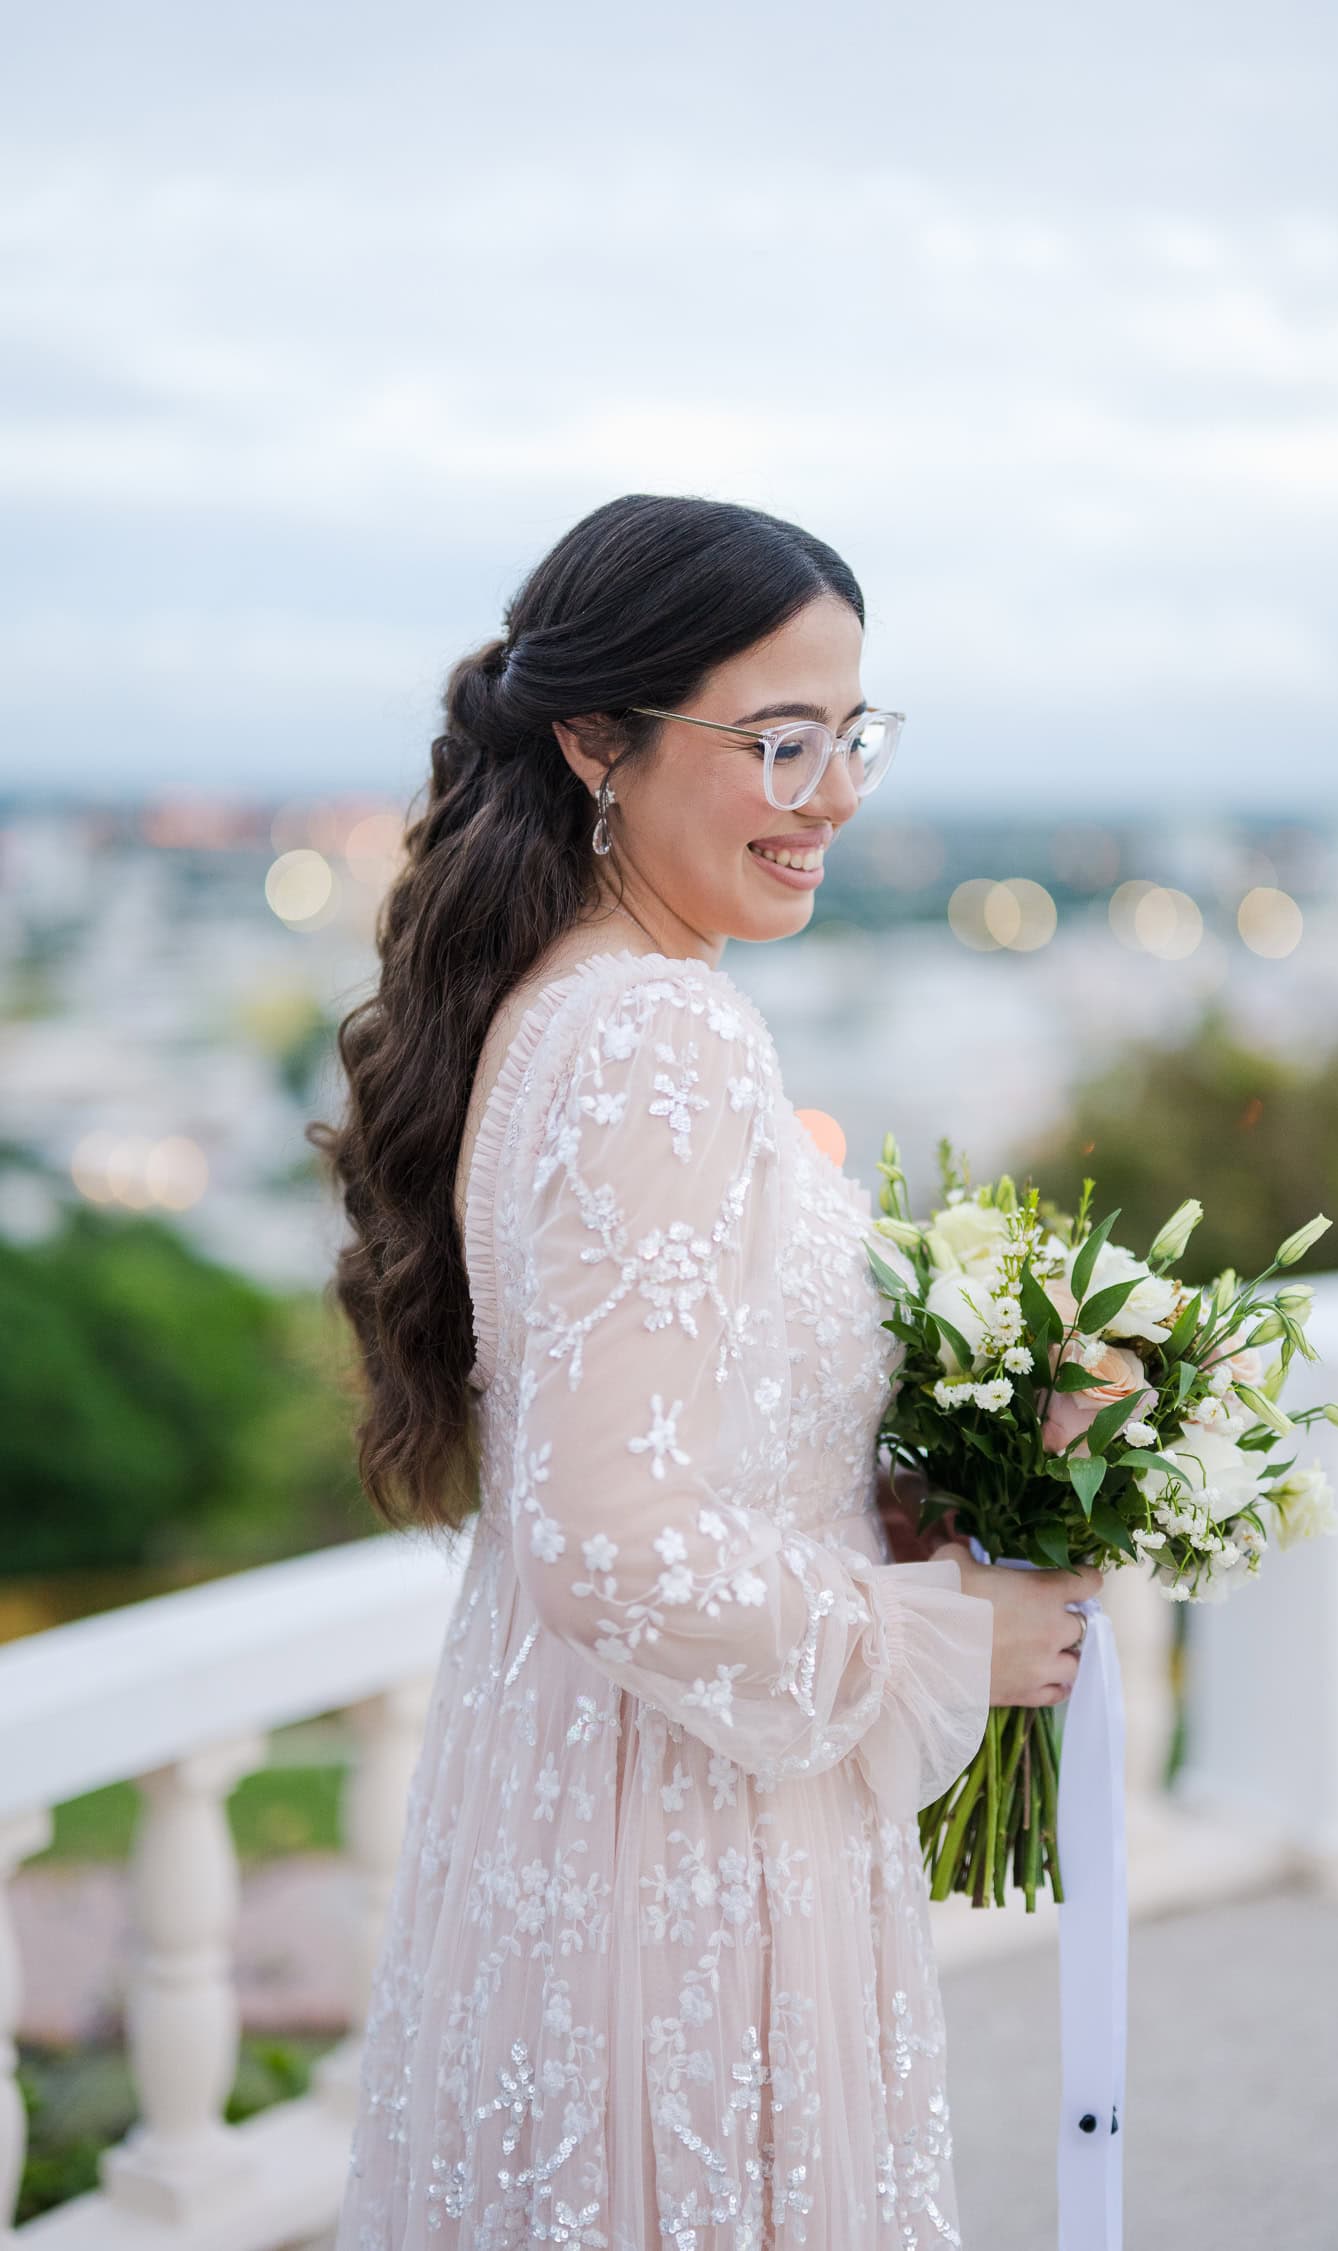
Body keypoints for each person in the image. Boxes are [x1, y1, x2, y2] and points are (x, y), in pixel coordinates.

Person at [313, 493, 1101, 2249]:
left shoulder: (569, 1000)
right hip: (681, 1836)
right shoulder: (655, 1032)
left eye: (851, 734)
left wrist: (915, 1472)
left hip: (604, 1787)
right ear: (599, 743)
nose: (835, 795)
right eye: (779, 740)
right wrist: (938, 1636)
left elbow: (677, 1432)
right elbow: (605, 1528)